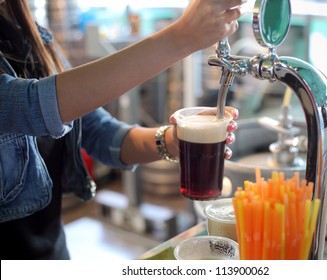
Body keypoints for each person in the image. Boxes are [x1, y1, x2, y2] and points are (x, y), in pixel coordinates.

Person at [0, 0, 243, 259]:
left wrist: (171, 140)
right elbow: (32, 106)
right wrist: (182, 36)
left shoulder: (29, 29)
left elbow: (98, 131)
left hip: (53, 254)